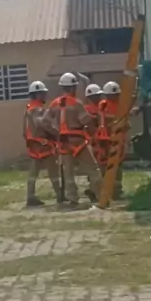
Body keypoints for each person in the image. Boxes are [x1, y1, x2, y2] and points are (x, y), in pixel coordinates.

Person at [43, 72, 102, 207]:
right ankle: (100, 195)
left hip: (63, 143)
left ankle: (72, 199)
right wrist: (93, 134)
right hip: (78, 141)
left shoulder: (55, 104)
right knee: (93, 169)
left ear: (62, 87)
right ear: (73, 87)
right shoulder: (77, 103)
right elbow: (86, 121)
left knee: (68, 172)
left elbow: (45, 121)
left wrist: (56, 132)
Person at [24, 81, 62, 208]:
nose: (46, 95)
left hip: (34, 145)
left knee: (33, 173)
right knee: (53, 171)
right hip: (44, 144)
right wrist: (57, 133)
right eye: (43, 93)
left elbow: (25, 130)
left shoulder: (29, 109)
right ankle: (60, 195)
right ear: (38, 94)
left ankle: (30, 196)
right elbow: (43, 124)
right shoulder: (38, 109)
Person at [99, 80, 125, 199]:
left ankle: (113, 190)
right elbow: (112, 121)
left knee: (114, 165)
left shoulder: (104, 105)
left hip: (112, 139)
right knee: (112, 165)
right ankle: (113, 191)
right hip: (110, 140)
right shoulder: (107, 106)